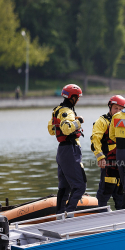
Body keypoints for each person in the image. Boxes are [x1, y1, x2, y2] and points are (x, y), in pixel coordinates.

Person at [47, 84, 86, 215]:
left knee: (65, 187)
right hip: (70, 150)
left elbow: (51, 130)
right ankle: (69, 215)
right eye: (77, 97)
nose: (78, 100)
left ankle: (60, 215)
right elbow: (66, 128)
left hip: (62, 151)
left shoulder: (57, 110)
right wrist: (78, 122)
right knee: (80, 186)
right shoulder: (68, 112)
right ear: (72, 97)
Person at [91, 95, 125, 210]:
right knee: (105, 190)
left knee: (121, 193)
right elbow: (95, 139)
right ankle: (99, 215)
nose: (118, 111)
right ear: (110, 107)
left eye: (121, 109)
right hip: (108, 161)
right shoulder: (102, 121)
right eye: (116, 108)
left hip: (122, 161)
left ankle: (122, 219)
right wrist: (100, 157)